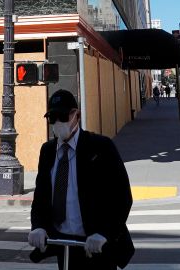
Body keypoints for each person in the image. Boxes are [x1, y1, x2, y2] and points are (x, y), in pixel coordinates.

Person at [28, 90, 134, 270]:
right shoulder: (47, 151)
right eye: (52, 118)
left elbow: (122, 197)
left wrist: (104, 233)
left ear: (76, 115)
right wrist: (38, 226)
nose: (58, 123)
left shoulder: (101, 146)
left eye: (62, 116)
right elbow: (41, 196)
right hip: (63, 243)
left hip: (96, 245)